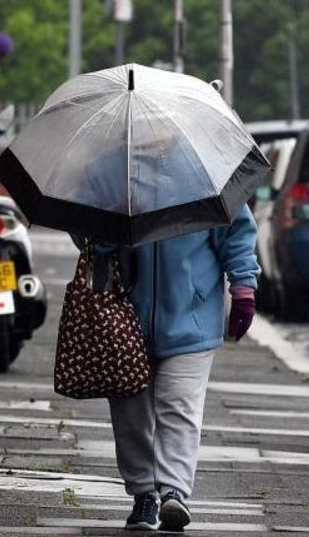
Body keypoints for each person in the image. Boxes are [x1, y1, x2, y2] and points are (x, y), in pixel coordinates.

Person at [84, 204, 259, 532]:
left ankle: (174, 491)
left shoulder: (204, 186)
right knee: (130, 412)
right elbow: (86, 235)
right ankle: (144, 494)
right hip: (125, 320)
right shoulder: (115, 186)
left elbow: (236, 233)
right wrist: (104, 237)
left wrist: (243, 288)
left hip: (193, 320)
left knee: (179, 402)